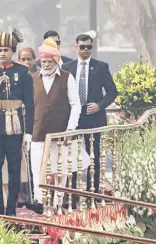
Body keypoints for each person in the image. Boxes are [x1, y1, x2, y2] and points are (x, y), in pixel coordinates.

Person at [30, 38, 88, 213]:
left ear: (56, 61)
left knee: (60, 169)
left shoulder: (66, 77)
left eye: (49, 61)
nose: (46, 64)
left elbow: (75, 104)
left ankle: (58, 200)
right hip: (37, 131)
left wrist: (70, 129)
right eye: (44, 61)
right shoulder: (32, 78)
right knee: (37, 168)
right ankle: (41, 201)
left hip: (61, 132)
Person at [0, 28, 34, 216]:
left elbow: (30, 104)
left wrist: (28, 132)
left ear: (13, 51)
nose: (2, 53)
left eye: (6, 50)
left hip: (16, 126)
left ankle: (11, 209)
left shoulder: (23, 72)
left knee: (13, 168)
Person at [62, 34, 117, 205]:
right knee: (72, 156)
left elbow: (112, 91)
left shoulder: (101, 67)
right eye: (82, 47)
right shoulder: (67, 67)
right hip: (74, 119)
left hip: (95, 118)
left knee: (94, 156)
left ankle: (91, 192)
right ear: (76, 47)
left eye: (89, 47)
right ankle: (71, 194)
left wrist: (100, 106)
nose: (85, 50)